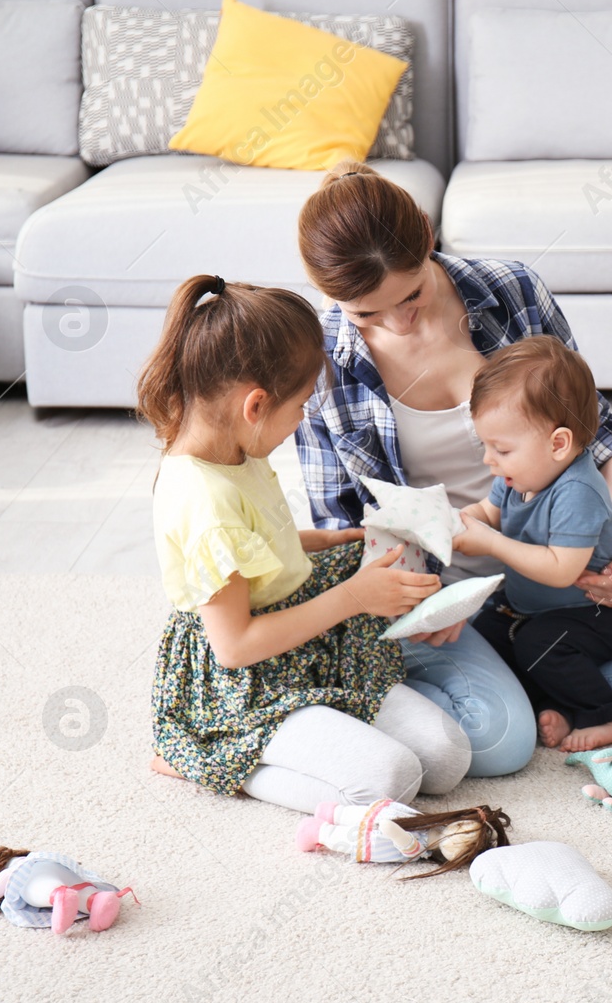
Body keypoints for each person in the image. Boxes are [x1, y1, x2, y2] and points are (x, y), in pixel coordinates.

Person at [294, 161, 612, 775]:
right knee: (499, 744)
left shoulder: (509, 291)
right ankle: (536, 678)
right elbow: (343, 529)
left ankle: (533, 669)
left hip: (558, 595)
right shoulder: (318, 365)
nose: (397, 323)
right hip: (441, 602)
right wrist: (418, 606)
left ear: (428, 238)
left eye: (410, 296)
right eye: (366, 315)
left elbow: (598, 436)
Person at [138, 274, 472, 813]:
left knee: (447, 756)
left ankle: (319, 731)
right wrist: (356, 597)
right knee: (392, 780)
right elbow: (235, 645)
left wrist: (319, 540)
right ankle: (200, 757)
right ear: (255, 405)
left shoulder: (231, 445)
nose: (300, 422)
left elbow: (253, 543)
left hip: (301, 637)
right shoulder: (202, 502)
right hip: (242, 680)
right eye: (298, 409)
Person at [455, 336, 612, 752]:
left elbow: (562, 568)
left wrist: (490, 543)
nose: (489, 460)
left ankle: (608, 715)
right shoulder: (516, 475)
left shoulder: (577, 490)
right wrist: (462, 521)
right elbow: (489, 512)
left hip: (596, 612)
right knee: (489, 634)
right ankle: (554, 707)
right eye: (486, 446)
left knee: (538, 644)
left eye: (501, 449)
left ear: (558, 444)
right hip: (532, 608)